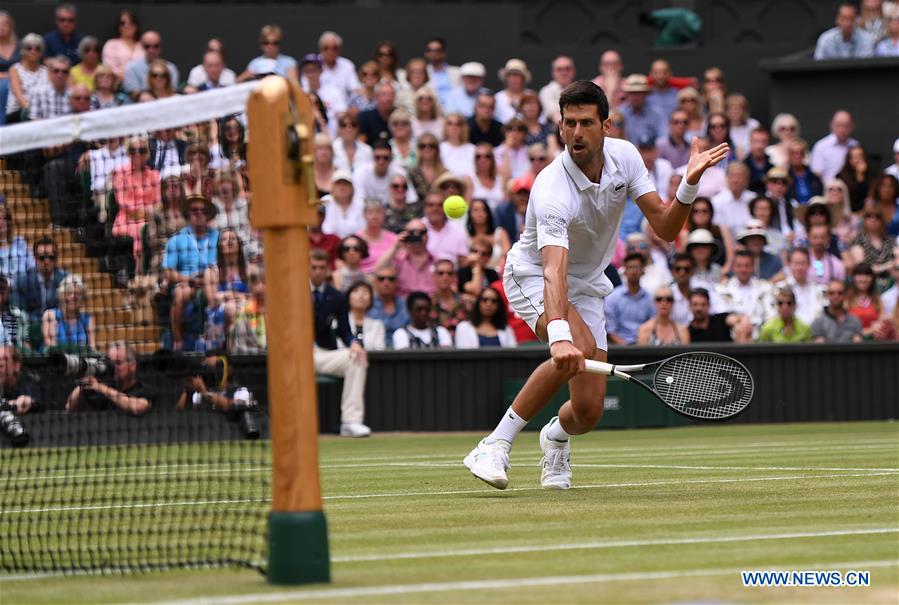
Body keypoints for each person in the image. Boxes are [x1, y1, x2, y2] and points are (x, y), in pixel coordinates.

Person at [464, 79, 730, 491]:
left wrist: (688, 185)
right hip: (534, 274)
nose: (576, 134)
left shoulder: (625, 157)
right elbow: (553, 270)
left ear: (606, 125)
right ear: (559, 126)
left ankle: (555, 437)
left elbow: (664, 226)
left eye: (586, 123)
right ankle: (494, 444)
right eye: (568, 124)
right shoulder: (552, 188)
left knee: (588, 411)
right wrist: (559, 337)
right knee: (578, 346)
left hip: (586, 284)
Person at [309, 249, 370, 437]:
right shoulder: (292, 294)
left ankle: (351, 421)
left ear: (328, 270)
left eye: (321, 268)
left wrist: (354, 343)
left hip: (324, 355)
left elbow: (345, 331)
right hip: (298, 357)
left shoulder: (336, 297)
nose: (317, 271)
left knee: (357, 358)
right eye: (313, 267)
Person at [163, 194, 220, 351]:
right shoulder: (177, 239)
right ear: (188, 213)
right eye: (195, 210)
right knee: (181, 294)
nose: (199, 213)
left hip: (214, 280)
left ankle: (214, 336)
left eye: (203, 210)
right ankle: (177, 339)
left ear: (208, 215)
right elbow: (168, 272)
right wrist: (189, 278)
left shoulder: (218, 236)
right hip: (189, 281)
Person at [66, 342, 153, 414]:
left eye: (118, 363)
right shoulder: (98, 391)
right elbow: (69, 408)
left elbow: (138, 408)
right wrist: (81, 386)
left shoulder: (143, 390)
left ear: (133, 366)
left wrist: (102, 389)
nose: (113, 367)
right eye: (110, 363)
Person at [716, 250, 774, 334]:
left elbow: (771, 314)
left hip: (761, 335)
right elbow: (721, 315)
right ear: (733, 267)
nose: (743, 269)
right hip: (732, 336)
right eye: (739, 266)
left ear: (753, 267)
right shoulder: (722, 289)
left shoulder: (764, 287)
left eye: (747, 266)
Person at [14, 236, 68, 324]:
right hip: (31, 328)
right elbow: (19, 311)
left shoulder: (65, 280)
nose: (47, 261)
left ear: (56, 258)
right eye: (42, 257)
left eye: (51, 257)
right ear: (35, 258)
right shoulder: (22, 280)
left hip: (58, 327)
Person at [605, 253, 656, 344]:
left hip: (645, 345)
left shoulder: (649, 298)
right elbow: (611, 330)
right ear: (624, 272)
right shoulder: (613, 297)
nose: (633, 271)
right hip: (618, 349)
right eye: (630, 267)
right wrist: (627, 349)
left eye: (636, 267)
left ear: (643, 271)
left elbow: (653, 323)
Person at [41, 274, 95, 353]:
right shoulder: (50, 315)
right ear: (61, 296)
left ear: (82, 298)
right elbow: (50, 345)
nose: (73, 297)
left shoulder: (87, 319)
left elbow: (92, 347)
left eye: (77, 294)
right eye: (69, 293)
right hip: (55, 360)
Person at [775, 247, 826, 325]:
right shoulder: (779, 289)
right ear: (789, 264)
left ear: (809, 264)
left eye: (803, 263)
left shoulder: (820, 289)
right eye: (796, 263)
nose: (800, 267)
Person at [5, 32, 47, 124]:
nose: (33, 51)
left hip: (42, 113)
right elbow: (18, 94)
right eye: (29, 48)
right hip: (18, 112)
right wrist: (32, 112)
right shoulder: (15, 69)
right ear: (23, 50)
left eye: (38, 48)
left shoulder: (46, 71)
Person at [123, 31, 178, 98]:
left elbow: (172, 90)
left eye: (156, 46)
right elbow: (134, 94)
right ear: (142, 46)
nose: (151, 50)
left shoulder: (171, 68)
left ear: (161, 47)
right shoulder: (131, 67)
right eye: (147, 46)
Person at [810, 110, 857, 182]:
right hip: (828, 189)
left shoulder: (855, 146)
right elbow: (816, 173)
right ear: (832, 125)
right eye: (839, 125)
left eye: (846, 126)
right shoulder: (821, 146)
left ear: (852, 127)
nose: (842, 129)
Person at [368, 265, 409, 348]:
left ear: (397, 282)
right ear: (375, 282)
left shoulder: (406, 305)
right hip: (375, 353)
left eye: (391, 279)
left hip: (404, 353)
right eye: (381, 279)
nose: (386, 282)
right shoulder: (367, 305)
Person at [619, 74, 664, 147]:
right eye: (632, 93)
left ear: (646, 94)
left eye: (639, 93)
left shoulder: (656, 113)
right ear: (627, 94)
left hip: (649, 154)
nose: (635, 97)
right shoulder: (620, 113)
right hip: (623, 154)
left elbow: (662, 138)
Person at [711, 162, 754, 236]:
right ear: (727, 179)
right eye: (733, 176)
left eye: (740, 176)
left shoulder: (753, 199)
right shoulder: (717, 201)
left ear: (746, 180)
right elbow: (718, 228)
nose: (736, 180)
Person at [343, 280, 385, 351]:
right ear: (348, 298)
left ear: (371, 300)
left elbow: (379, 349)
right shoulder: (341, 322)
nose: (361, 295)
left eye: (365, 291)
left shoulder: (377, 325)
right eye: (356, 291)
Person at [101, 9, 142, 80]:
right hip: (118, 85)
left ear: (136, 26)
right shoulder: (111, 44)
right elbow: (109, 68)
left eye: (131, 22)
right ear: (118, 27)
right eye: (123, 23)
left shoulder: (143, 45)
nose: (127, 25)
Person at [845, 262, 883, 338]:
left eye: (867, 275)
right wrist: (870, 330)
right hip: (852, 343)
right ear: (853, 278)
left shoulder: (878, 300)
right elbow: (843, 327)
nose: (863, 279)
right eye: (859, 275)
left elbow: (882, 324)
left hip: (874, 343)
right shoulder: (846, 299)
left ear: (872, 278)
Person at [0, 345, 40, 414]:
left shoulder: (28, 384)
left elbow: (35, 402)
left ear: (16, 366)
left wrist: (28, 401)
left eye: (0, 365)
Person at [430, 258, 466, 335]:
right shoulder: (428, 302)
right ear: (433, 276)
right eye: (440, 273)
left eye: (449, 273)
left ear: (454, 277)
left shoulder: (464, 302)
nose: (445, 277)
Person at [423, 38, 459, 110]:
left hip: (455, 112)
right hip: (432, 112)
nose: (433, 53)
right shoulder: (423, 72)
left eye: (437, 50)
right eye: (430, 50)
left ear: (444, 53)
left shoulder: (457, 72)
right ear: (426, 54)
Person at [539, 55, 576, 124]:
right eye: (559, 69)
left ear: (574, 71)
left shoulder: (581, 90)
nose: (564, 72)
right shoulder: (546, 91)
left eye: (568, 69)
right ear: (553, 73)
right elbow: (557, 118)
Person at [494, 58, 532, 124]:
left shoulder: (531, 96)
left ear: (523, 78)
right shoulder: (497, 98)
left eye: (518, 75)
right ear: (506, 78)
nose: (514, 79)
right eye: (511, 75)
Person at [837, 145, 874, 213]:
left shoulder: (872, 174)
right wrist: (859, 175)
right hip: (848, 212)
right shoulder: (841, 176)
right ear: (849, 160)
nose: (858, 160)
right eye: (855, 157)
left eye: (861, 156)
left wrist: (861, 176)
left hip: (868, 213)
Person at [786, 139, 823, 205]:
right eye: (794, 153)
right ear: (789, 155)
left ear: (804, 155)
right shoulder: (785, 178)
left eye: (800, 153)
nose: (797, 156)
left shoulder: (814, 178)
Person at [725, 94, 760, 160]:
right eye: (732, 108)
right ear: (727, 111)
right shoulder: (723, 127)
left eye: (739, 108)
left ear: (745, 110)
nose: (735, 111)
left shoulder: (753, 124)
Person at [496, 177, 531, 244]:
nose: (522, 197)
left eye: (525, 193)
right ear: (512, 195)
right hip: (508, 247)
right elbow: (499, 232)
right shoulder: (502, 211)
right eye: (519, 193)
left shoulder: (536, 211)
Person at [645, 59, 678, 126]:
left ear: (670, 74)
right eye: (656, 72)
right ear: (651, 74)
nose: (660, 76)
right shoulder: (645, 95)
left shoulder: (677, 95)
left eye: (664, 72)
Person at [743, 128, 774, 195]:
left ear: (768, 143)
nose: (759, 146)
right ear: (750, 142)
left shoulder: (773, 168)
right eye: (756, 141)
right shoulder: (742, 167)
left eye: (763, 141)